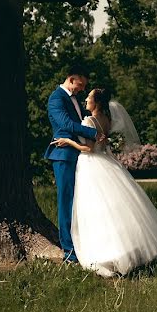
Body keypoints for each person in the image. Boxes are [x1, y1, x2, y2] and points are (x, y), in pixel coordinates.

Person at [54, 88, 157, 277]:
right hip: (106, 163)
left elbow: (87, 148)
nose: (86, 99)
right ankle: (127, 250)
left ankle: (106, 253)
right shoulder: (106, 120)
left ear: (97, 102)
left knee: (96, 211)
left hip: (91, 164)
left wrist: (67, 142)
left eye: (89, 97)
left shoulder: (88, 121)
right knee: (114, 209)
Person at [45, 65, 100, 263]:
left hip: (80, 155)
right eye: (80, 84)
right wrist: (94, 133)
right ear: (71, 78)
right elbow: (66, 124)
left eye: (85, 86)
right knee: (66, 202)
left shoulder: (75, 99)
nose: (82, 89)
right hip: (63, 156)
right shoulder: (56, 98)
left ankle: (83, 243)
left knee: (81, 202)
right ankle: (69, 252)